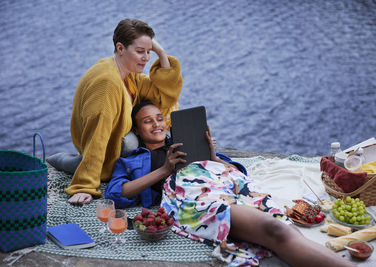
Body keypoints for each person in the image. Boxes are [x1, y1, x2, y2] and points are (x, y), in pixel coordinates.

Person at [105, 102, 355, 267]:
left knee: (284, 227)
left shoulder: (186, 145)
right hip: (191, 196)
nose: (157, 124)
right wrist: (165, 169)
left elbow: (238, 172)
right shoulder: (132, 160)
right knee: (276, 230)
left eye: (160, 118)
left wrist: (212, 157)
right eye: (148, 121)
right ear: (136, 129)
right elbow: (116, 194)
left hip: (228, 186)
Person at [66, 19, 182, 205]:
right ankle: (75, 165)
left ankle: (69, 161)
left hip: (112, 141)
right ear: (120, 49)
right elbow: (97, 134)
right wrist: (84, 185)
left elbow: (163, 98)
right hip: (105, 149)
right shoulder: (107, 84)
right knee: (131, 143)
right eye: (140, 51)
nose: (146, 58)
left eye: (148, 52)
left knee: (162, 119)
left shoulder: (128, 74)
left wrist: (161, 53)